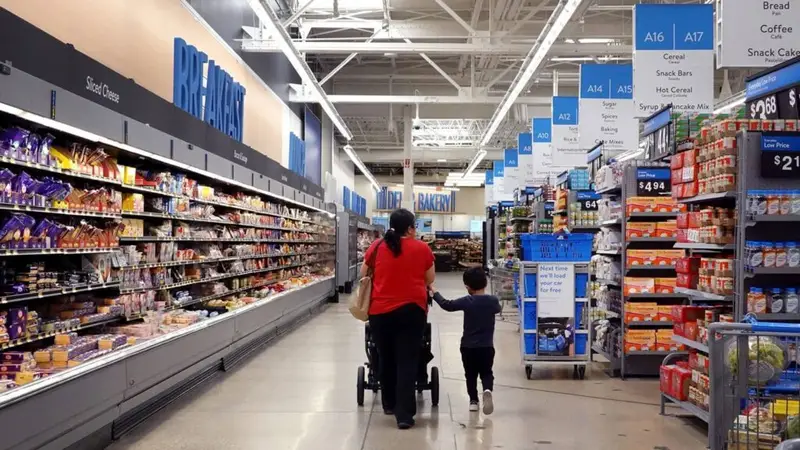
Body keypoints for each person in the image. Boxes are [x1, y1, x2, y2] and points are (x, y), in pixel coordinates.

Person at [361, 208, 434, 429]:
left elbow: (364, 274)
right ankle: (404, 415)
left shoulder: (377, 246)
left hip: (380, 312)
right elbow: (429, 278)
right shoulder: (422, 248)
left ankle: (389, 404)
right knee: (407, 361)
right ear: (410, 228)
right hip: (412, 311)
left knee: (385, 357)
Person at [428, 267, 501, 415]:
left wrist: (434, 293)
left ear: (468, 286)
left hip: (468, 346)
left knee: (470, 374)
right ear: (485, 283)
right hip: (486, 346)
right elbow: (497, 309)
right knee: (487, 372)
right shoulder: (492, 301)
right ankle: (487, 390)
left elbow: (447, 305)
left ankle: (473, 401)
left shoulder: (467, 301)